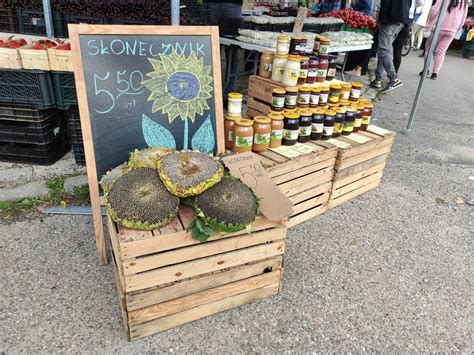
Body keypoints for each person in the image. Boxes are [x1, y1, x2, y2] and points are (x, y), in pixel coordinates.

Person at [370, 0, 413, 93]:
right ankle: (378, 79)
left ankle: (394, 78)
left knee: (383, 51)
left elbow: (385, 4)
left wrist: (381, 19)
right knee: (386, 50)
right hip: (401, 19)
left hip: (390, 20)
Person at [421, 0, 468, 79]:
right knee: (441, 52)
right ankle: (435, 73)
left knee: (429, 49)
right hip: (452, 30)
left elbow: (434, 11)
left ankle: (426, 70)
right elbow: (463, 18)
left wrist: (429, 23)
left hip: (438, 27)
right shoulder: (464, 2)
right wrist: (457, 29)